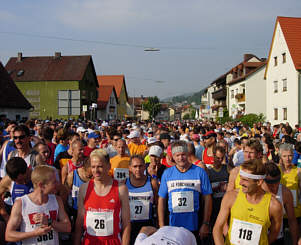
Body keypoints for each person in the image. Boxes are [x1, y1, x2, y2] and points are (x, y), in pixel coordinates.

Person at [213, 159, 283, 245]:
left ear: (259, 182)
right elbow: (217, 229)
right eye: (241, 178)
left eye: (245, 180)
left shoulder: (274, 206)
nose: (240, 182)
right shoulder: (231, 197)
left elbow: (274, 233)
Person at [158, 141, 212, 243]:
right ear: (172, 157)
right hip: (173, 226)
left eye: (183, 154)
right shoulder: (167, 173)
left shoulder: (200, 172)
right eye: (177, 155)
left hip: (195, 225)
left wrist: (205, 223)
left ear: (187, 154)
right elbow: (161, 199)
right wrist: (161, 225)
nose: (180, 158)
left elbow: (208, 198)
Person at [73, 149, 131, 245]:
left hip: (112, 241)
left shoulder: (121, 189)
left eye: (100, 166)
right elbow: (79, 223)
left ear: (108, 166)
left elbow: (126, 224)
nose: (96, 171)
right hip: (89, 241)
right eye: (93, 167)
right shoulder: (84, 188)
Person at [5, 165, 71, 244]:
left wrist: (49, 222)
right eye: (54, 182)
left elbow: (67, 227)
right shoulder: (22, 203)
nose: (57, 184)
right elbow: (8, 235)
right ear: (41, 185)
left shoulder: (57, 200)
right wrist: (34, 233)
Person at [262, 162, 298, 245]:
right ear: (262, 180)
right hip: (259, 238)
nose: (274, 187)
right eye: (270, 183)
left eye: (277, 182)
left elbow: (292, 221)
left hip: (277, 239)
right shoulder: (256, 190)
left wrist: (295, 243)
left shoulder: (285, 192)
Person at [126, 155, 158, 245]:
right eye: (135, 166)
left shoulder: (152, 182)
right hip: (130, 226)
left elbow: (158, 203)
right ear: (130, 168)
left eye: (140, 166)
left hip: (147, 225)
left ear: (145, 166)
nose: (138, 169)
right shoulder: (124, 183)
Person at [0, 157, 33, 223]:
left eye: (26, 178)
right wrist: (5, 215)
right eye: (20, 181)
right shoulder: (7, 181)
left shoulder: (38, 175)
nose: (24, 182)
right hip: (18, 221)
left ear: (27, 169)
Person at [278, 143, 301, 220]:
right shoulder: (276, 170)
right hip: (279, 213)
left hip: (295, 212)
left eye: (290, 155)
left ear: (293, 156)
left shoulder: (298, 171)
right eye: (284, 156)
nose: (287, 159)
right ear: (280, 157)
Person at [208, 146, 229, 226]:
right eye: (218, 158)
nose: (220, 160)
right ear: (213, 156)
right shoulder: (208, 170)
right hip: (213, 205)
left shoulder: (227, 168)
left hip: (225, 204)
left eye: (222, 158)